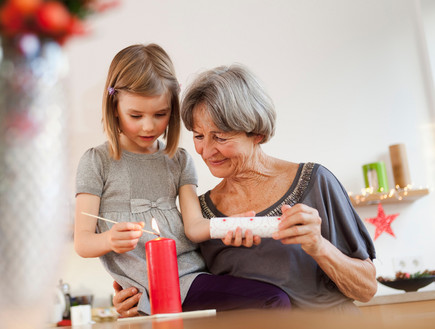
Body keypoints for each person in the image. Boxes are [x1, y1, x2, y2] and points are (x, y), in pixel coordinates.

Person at [113, 63, 377, 314]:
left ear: (257, 132)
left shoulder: (315, 183)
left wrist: (319, 246)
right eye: (198, 136)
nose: (206, 151)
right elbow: (190, 290)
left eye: (221, 137)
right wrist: (137, 301)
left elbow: (367, 289)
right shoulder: (202, 217)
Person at [74, 44, 291, 316]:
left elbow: (195, 228)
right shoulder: (97, 162)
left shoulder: (178, 160)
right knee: (272, 302)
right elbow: (82, 242)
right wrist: (109, 240)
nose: (148, 126)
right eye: (136, 115)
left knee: (273, 300)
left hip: (190, 277)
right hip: (151, 292)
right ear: (114, 106)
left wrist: (232, 226)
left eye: (160, 114)